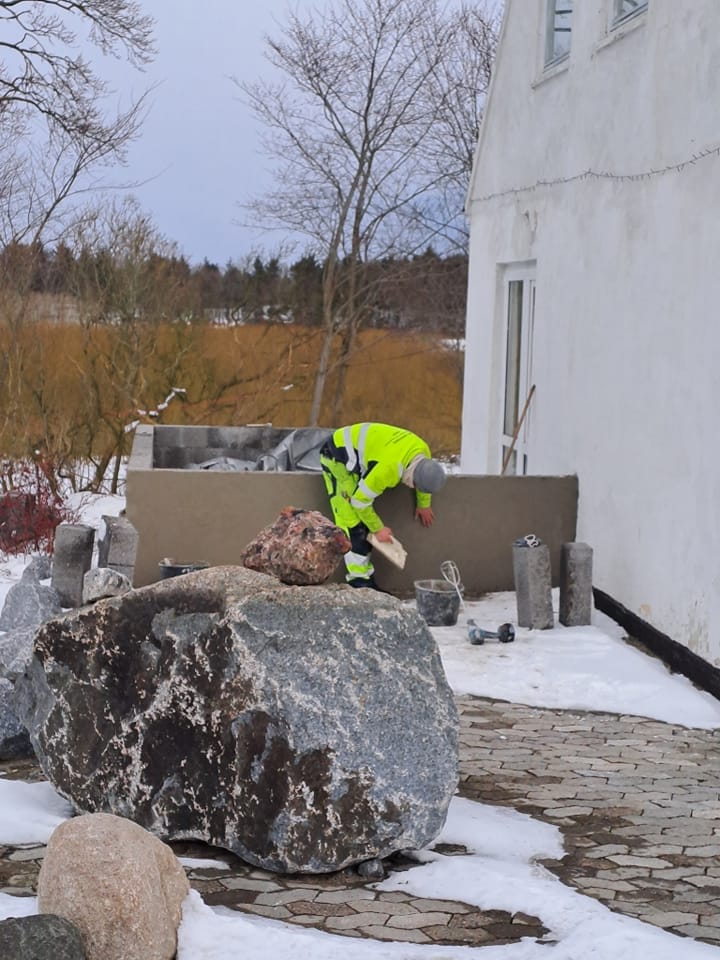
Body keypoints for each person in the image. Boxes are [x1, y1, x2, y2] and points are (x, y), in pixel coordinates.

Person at [319, 422, 447, 588]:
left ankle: (367, 578)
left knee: (362, 522)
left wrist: (424, 504)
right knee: (353, 524)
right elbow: (359, 501)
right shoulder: (388, 470)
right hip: (336, 456)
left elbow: (423, 479)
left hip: (361, 452)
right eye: (415, 486)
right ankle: (359, 583)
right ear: (412, 476)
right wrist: (378, 529)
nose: (414, 489)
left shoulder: (423, 452)